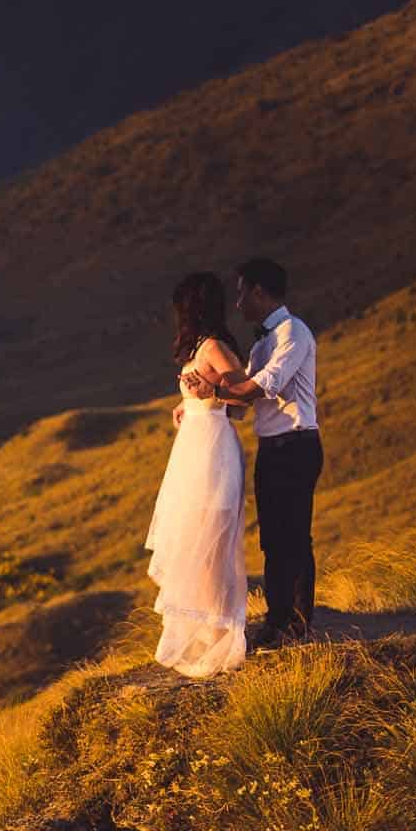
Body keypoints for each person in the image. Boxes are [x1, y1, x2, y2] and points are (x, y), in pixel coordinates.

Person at [184, 258, 321, 646]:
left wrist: (215, 392)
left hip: (296, 444)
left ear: (260, 291)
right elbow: (243, 405)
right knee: (273, 539)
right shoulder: (263, 342)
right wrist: (196, 403)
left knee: (294, 535)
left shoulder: (293, 332)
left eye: (243, 291)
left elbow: (265, 386)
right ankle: (277, 619)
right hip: (271, 447)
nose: (239, 301)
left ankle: (297, 624)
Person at [147, 272, 251, 678]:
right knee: (196, 536)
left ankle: (220, 636)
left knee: (211, 540)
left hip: (212, 453)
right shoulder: (201, 348)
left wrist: (213, 399)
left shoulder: (214, 347)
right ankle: (210, 633)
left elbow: (246, 397)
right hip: (195, 448)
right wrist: (188, 405)